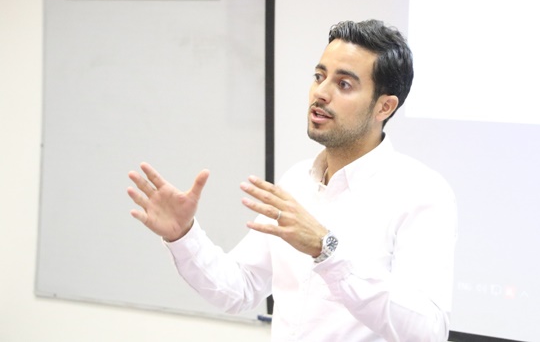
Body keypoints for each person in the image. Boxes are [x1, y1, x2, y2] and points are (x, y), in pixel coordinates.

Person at [127, 20, 457, 342]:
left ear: (384, 106)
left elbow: (428, 331)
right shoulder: (297, 181)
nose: (321, 93)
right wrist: (183, 236)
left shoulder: (421, 193)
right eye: (319, 76)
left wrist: (327, 250)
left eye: (344, 84)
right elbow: (240, 288)